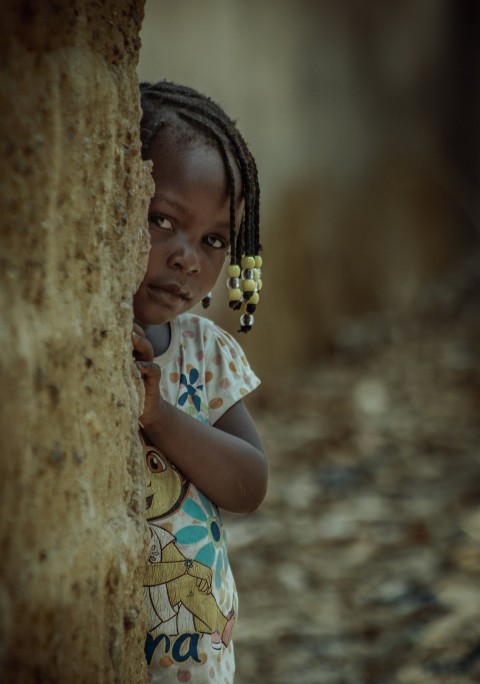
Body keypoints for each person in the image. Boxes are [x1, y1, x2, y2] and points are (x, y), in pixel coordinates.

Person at [131, 81, 268, 684]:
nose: (189, 258)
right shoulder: (85, 338)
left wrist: (161, 417)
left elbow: (250, 481)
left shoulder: (206, 353)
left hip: (200, 657)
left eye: (214, 240)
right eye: (163, 220)